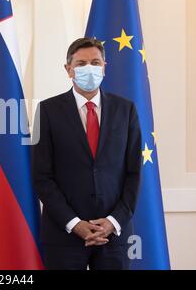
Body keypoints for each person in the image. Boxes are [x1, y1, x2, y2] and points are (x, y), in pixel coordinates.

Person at [32, 37, 142, 270]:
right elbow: (42, 177)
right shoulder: (46, 111)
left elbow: (134, 173)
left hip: (114, 236)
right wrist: (74, 223)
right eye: (81, 64)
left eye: (95, 62)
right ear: (68, 69)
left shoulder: (126, 110)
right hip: (64, 236)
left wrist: (112, 222)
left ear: (104, 66)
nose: (88, 69)